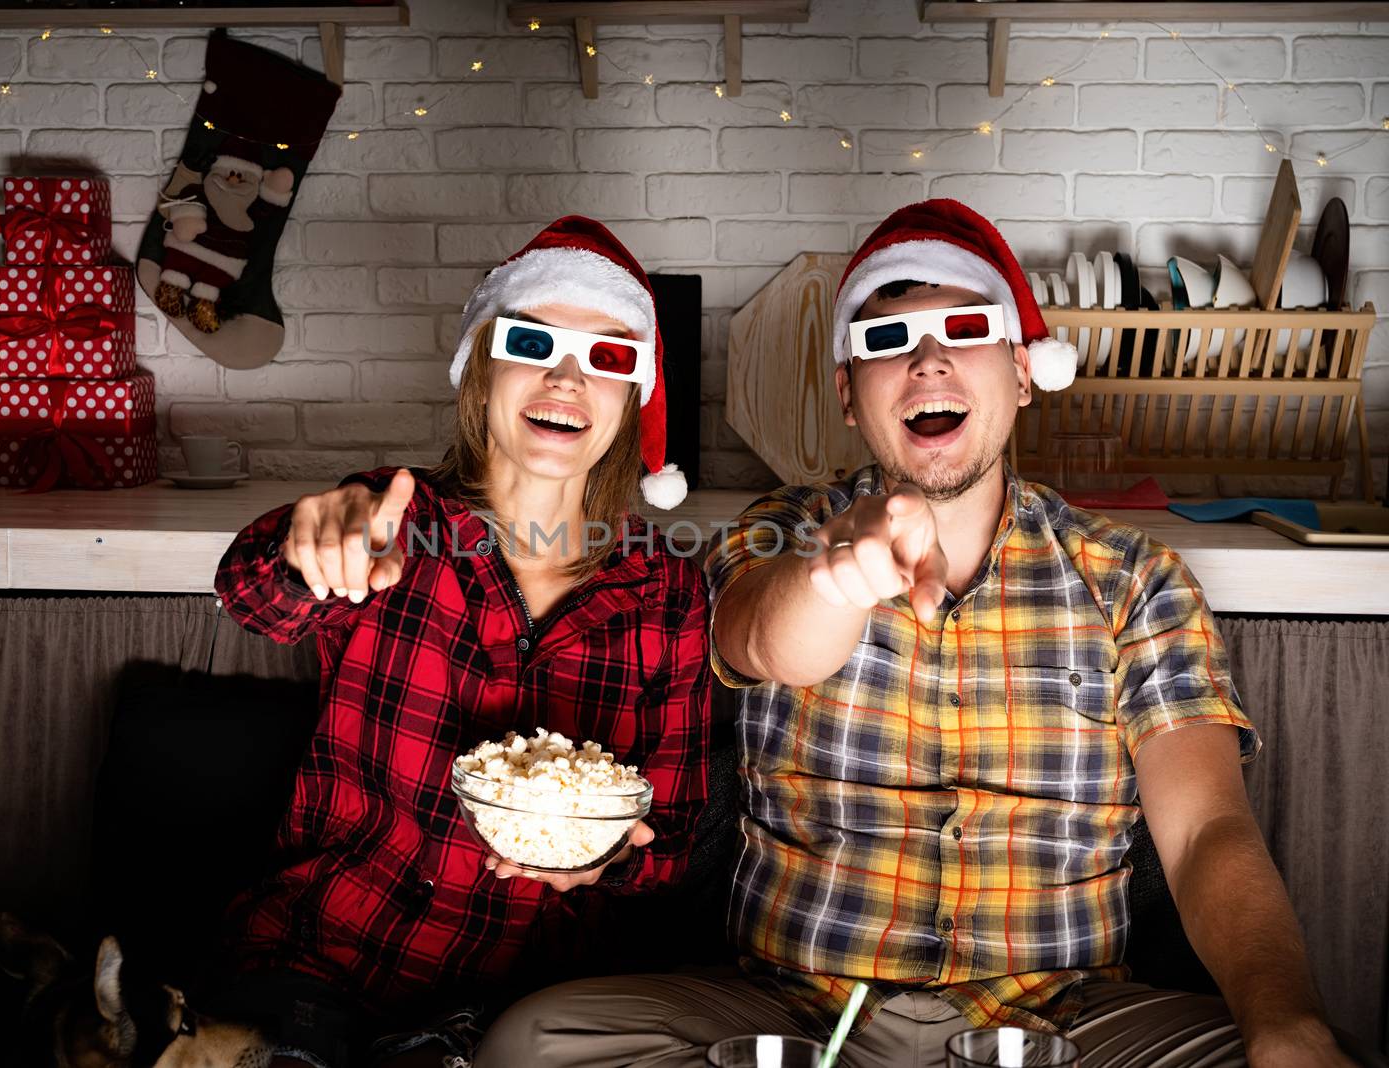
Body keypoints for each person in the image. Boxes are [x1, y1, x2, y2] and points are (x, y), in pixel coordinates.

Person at [478, 200, 1378, 1067]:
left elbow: (1206, 832)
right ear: (847, 396)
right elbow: (760, 640)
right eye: (887, 340)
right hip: (790, 1014)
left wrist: (1287, 1022)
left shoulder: (1133, 579)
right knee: (537, 1043)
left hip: (1064, 1025)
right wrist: (839, 575)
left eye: (967, 331)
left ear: (1024, 371)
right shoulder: (776, 533)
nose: (928, 362)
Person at [209, 216, 710, 1067]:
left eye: (609, 357)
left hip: (516, 1006)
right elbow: (252, 598)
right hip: (314, 962)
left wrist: (607, 864)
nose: (566, 376)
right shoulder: (395, 517)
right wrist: (313, 551)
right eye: (533, 342)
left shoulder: (667, 592)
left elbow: (673, 834)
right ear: (480, 380)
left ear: (631, 405)